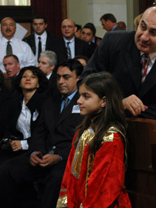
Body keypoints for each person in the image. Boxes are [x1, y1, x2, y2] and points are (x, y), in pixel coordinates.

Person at [82, 6, 156, 119]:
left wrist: (132, 112)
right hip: (106, 122)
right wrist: (119, 104)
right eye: (142, 27)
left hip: (151, 130)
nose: (144, 37)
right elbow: (86, 82)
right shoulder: (113, 42)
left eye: (153, 33)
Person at [0, 59, 84, 208]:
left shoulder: (84, 102)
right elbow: (39, 131)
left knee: (56, 179)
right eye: (58, 77)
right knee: (7, 169)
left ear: (78, 78)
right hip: (42, 154)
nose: (61, 81)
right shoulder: (51, 100)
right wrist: (34, 152)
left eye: (66, 77)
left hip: (67, 157)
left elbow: (81, 139)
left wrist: (59, 156)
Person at [57, 72, 131, 208]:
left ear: (103, 101)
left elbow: (105, 187)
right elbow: (69, 175)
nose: (79, 101)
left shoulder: (111, 138)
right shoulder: (83, 130)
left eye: (86, 96)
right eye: (80, 95)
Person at [0, 66, 48, 164]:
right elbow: (9, 127)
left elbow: (44, 133)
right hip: (16, 149)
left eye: (33, 77)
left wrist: (24, 144)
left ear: (38, 83)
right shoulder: (16, 103)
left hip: (37, 150)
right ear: (20, 82)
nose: (28, 79)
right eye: (25, 76)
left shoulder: (44, 103)